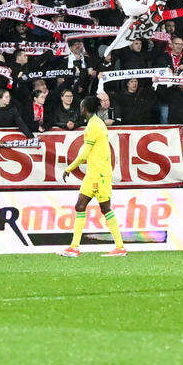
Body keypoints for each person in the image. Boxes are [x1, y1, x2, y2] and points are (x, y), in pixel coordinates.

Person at [62, 91, 128, 257]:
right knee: (80, 206)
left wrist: (69, 168)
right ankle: (74, 247)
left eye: (81, 105)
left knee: (105, 208)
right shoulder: (97, 123)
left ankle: (120, 247)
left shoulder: (93, 126)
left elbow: (84, 154)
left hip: (99, 174)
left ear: (84, 108)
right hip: (93, 173)